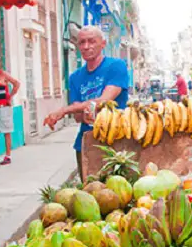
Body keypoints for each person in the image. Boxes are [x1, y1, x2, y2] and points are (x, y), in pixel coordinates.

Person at [43, 26, 129, 178]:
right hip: (86, 144)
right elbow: (77, 117)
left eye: (91, 41)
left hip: (117, 143)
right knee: (90, 193)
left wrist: (63, 111)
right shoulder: (75, 77)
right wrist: (86, 114)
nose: (86, 46)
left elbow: (104, 100)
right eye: (82, 42)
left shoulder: (116, 66)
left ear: (102, 44)